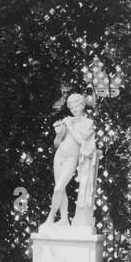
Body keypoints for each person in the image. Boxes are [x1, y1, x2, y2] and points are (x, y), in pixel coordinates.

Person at [42, 92, 98, 229]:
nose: (74, 110)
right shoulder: (68, 121)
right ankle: (64, 219)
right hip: (59, 155)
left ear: (82, 105)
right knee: (62, 190)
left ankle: (50, 217)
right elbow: (57, 143)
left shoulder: (88, 122)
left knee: (58, 188)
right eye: (71, 108)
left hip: (72, 158)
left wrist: (70, 126)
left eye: (76, 107)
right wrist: (59, 133)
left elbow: (82, 141)